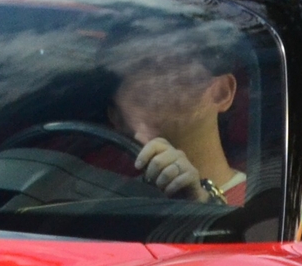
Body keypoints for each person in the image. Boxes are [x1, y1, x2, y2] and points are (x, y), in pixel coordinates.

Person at [106, 30, 250, 205]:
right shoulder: (103, 197)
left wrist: (203, 203)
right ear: (116, 118)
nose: (153, 81)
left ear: (221, 93)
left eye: (174, 64)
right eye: (134, 69)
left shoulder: (265, 208)